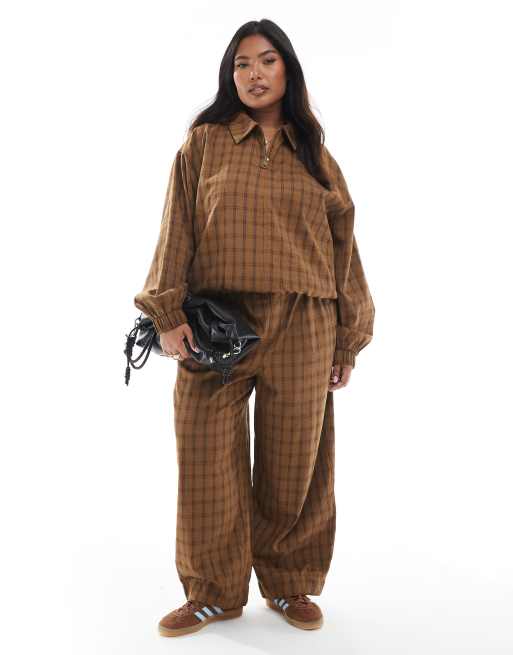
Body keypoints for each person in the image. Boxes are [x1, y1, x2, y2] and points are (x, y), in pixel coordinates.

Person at [134, 18, 375, 637]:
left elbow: (345, 249)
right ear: (229, 75)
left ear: (287, 69)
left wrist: (348, 337)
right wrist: (166, 312)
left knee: (296, 461)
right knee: (204, 456)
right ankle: (213, 591)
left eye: (267, 60)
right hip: (216, 324)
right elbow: (177, 228)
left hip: (305, 320)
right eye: (241, 64)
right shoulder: (205, 143)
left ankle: (289, 581)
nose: (254, 73)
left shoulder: (316, 156)